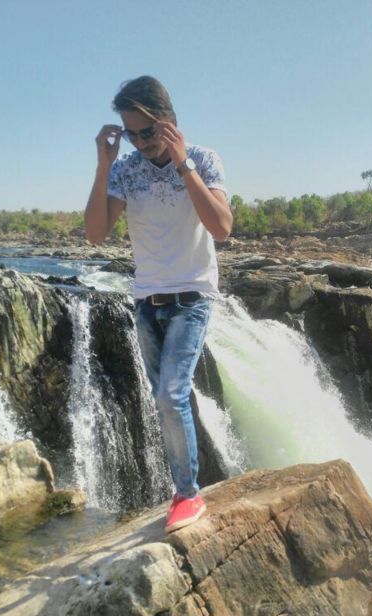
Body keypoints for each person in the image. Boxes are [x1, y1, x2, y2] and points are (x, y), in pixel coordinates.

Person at [84, 75, 232, 534]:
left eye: (148, 131)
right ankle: (182, 490)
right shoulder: (126, 170)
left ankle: (188, 495)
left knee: (170, 395)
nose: (141, 142)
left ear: (169, 120)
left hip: (192, 297)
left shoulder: (203, 159)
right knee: (167, 399)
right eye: (132, 134)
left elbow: (221, 227)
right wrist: (104, 165)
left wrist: (184, 165)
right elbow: (95, 234)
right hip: (147, 301)